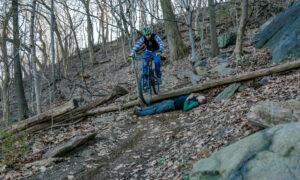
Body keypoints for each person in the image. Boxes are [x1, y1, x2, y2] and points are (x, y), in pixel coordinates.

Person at [133, 94, 206, 116]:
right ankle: (140, 109)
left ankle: (139, 113)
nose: (200, 96)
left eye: (201, 97)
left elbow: (185, 108)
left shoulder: (195, 103)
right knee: (156, 106)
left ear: (201, 100)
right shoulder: (195, 98)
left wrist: (188, 99)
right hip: (172, 101)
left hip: (172, 106)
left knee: (156, 110)